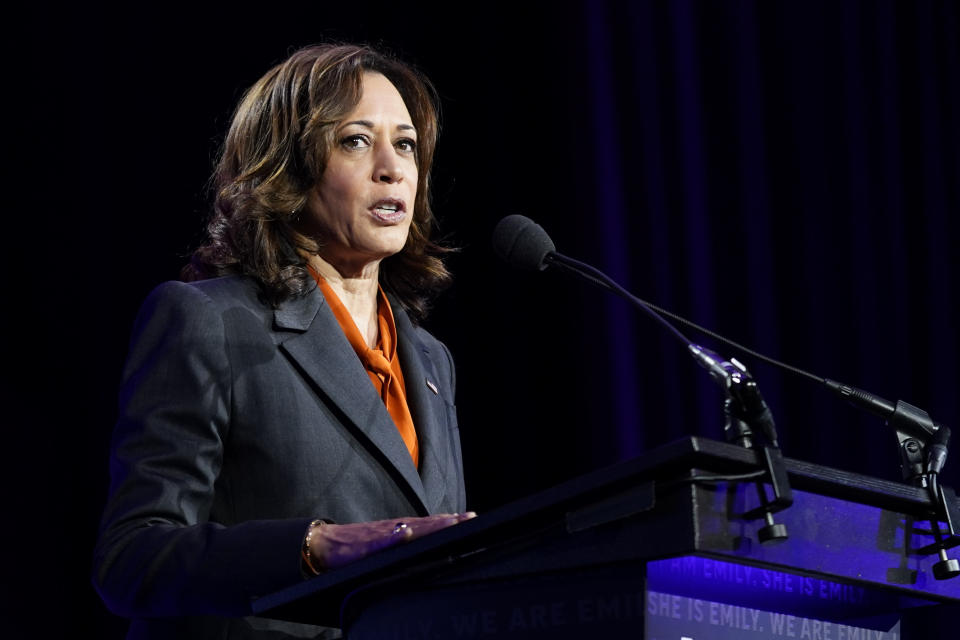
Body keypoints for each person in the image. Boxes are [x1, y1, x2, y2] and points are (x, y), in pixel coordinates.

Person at [92, 43, 473, 639]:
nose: (392, 167)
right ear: (287, 169)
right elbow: (132, 559)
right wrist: (316, 546)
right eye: (354, 140)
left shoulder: (430, 360)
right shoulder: (207, 321)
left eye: (404, 144)